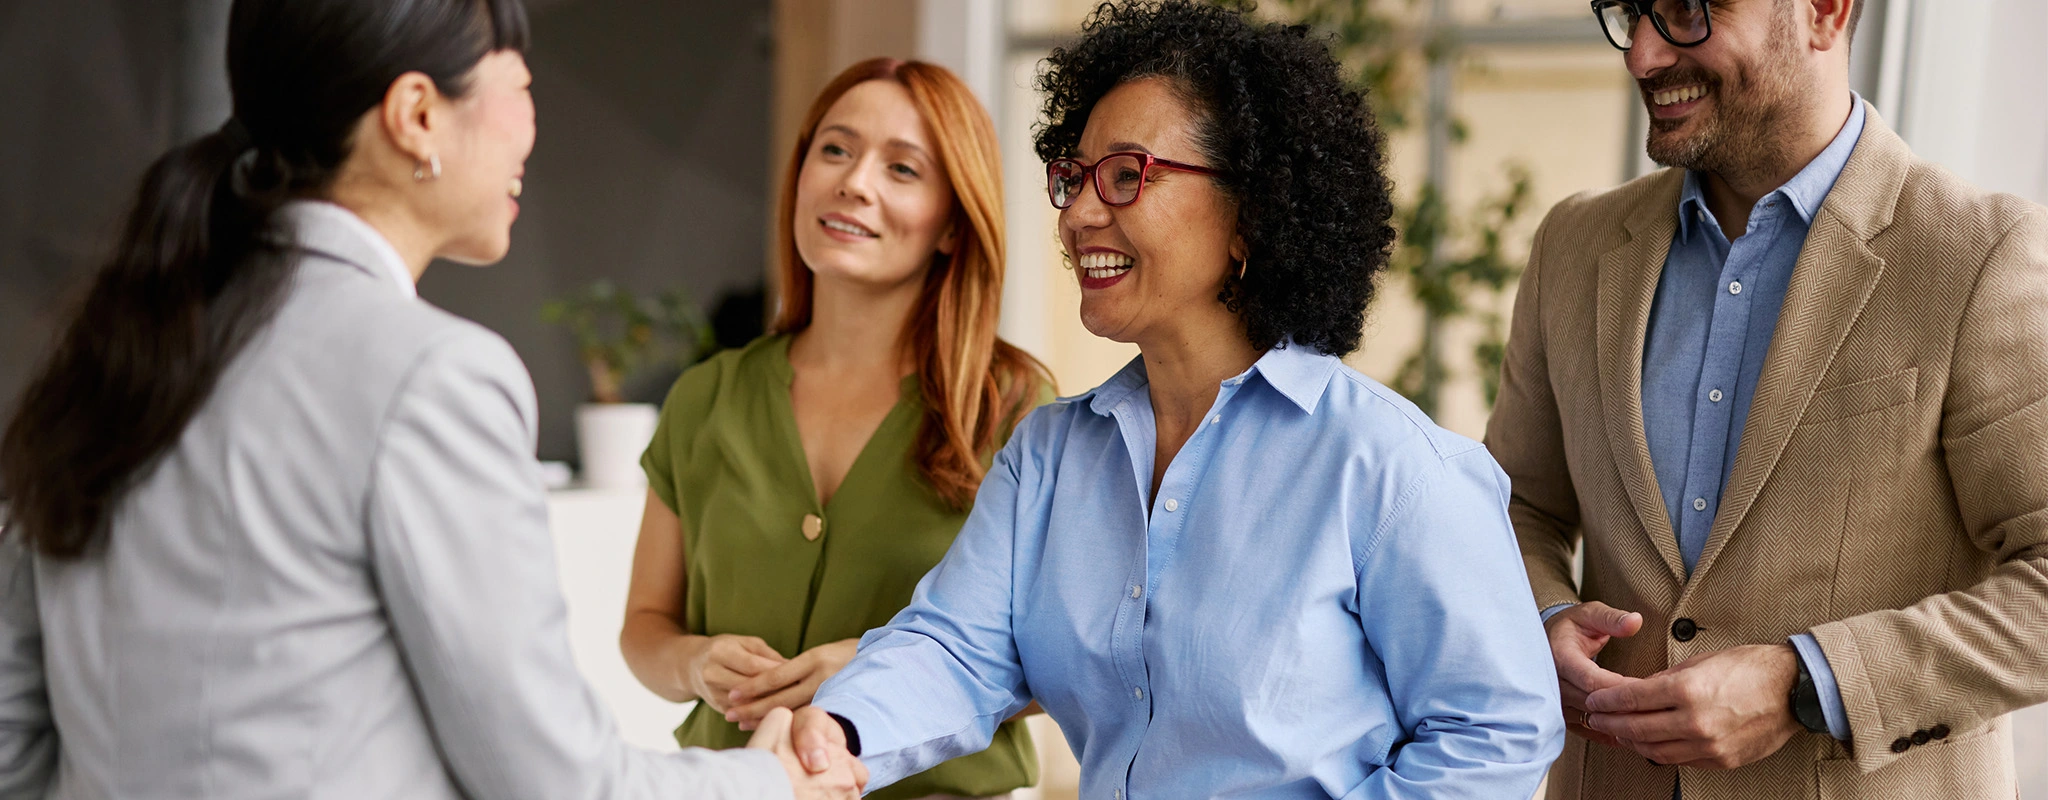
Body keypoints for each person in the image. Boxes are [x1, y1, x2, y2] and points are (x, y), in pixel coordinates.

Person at [0, 1, 862, 797]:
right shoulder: (433, 377)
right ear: (416, 114)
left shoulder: (110, 357)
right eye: (520, 88)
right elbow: (558, 784)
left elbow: (14, 748)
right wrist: (770, 783)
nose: (531, 129)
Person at [774, 2, 1565, 797]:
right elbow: (957, 648)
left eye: (1127, 175)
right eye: (1074, 178)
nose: (1079, 214)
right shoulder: (1048, 456)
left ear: (1250, 212)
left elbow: (1495, 731)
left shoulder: (1395, 470)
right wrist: (844, 731)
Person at [1485, 0, 2048, 797]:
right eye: (1630, 12)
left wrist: (1807, 682)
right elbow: (1516, 506)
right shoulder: (1573, 246)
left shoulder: (1980, 255)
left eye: (1686, 10)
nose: (1642, 55)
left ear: (1824, 12)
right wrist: (1543, 617)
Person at [618, 57, 1049, 800]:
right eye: (836, 149)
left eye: (902, 168)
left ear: (953, 223)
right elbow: (644, 628)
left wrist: (884, 670)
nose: (855, 182)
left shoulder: (1013, 405)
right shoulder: (706, 398)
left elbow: (1060, 662)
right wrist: (694, 663)